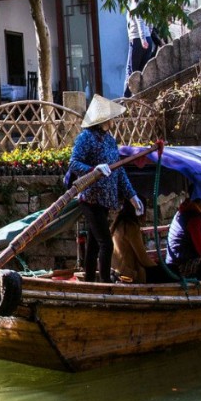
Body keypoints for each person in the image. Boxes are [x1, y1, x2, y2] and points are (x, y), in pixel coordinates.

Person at [68, 95, 139, 283]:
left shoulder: (109, 140)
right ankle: (105, 284)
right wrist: (94, 169)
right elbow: (74, 163)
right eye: (110, 117)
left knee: (93, 245)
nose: (113, 120)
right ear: (102, 119)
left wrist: (132, 196)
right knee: (106, 243)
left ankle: (91, 282)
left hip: (105, 200)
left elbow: (119, 169)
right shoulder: (85, 138)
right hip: (90, 199)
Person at [163, 196, 201, 278]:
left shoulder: (183, 211)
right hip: (179, 265)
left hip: (174, 260)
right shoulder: (193, 217)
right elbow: (200, 249)